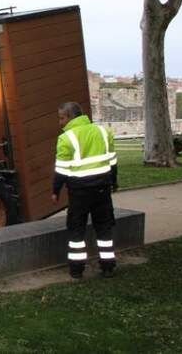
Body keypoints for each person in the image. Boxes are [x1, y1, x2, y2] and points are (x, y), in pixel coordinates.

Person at [51, 101, 118, 279]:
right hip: (102, 189)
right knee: (104, 228)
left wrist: (55, 191)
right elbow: (112, 161)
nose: (60, 122)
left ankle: (76, 270)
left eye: (61, 118)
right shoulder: (103, 131)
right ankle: (108, 267)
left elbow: (61, 171)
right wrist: (114, 182)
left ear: (70, 117)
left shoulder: (66, 138)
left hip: (79, 192)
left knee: (76, 230)